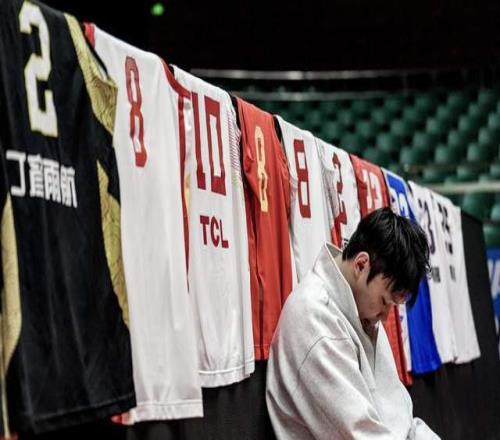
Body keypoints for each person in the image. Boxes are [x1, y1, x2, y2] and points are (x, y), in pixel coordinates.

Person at [266, 207, 440, 439]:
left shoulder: (363, 312)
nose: (386, 316)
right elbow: (362, 435)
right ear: (361, 265)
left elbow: (403, 423)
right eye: (384, 301)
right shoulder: (314, 318)